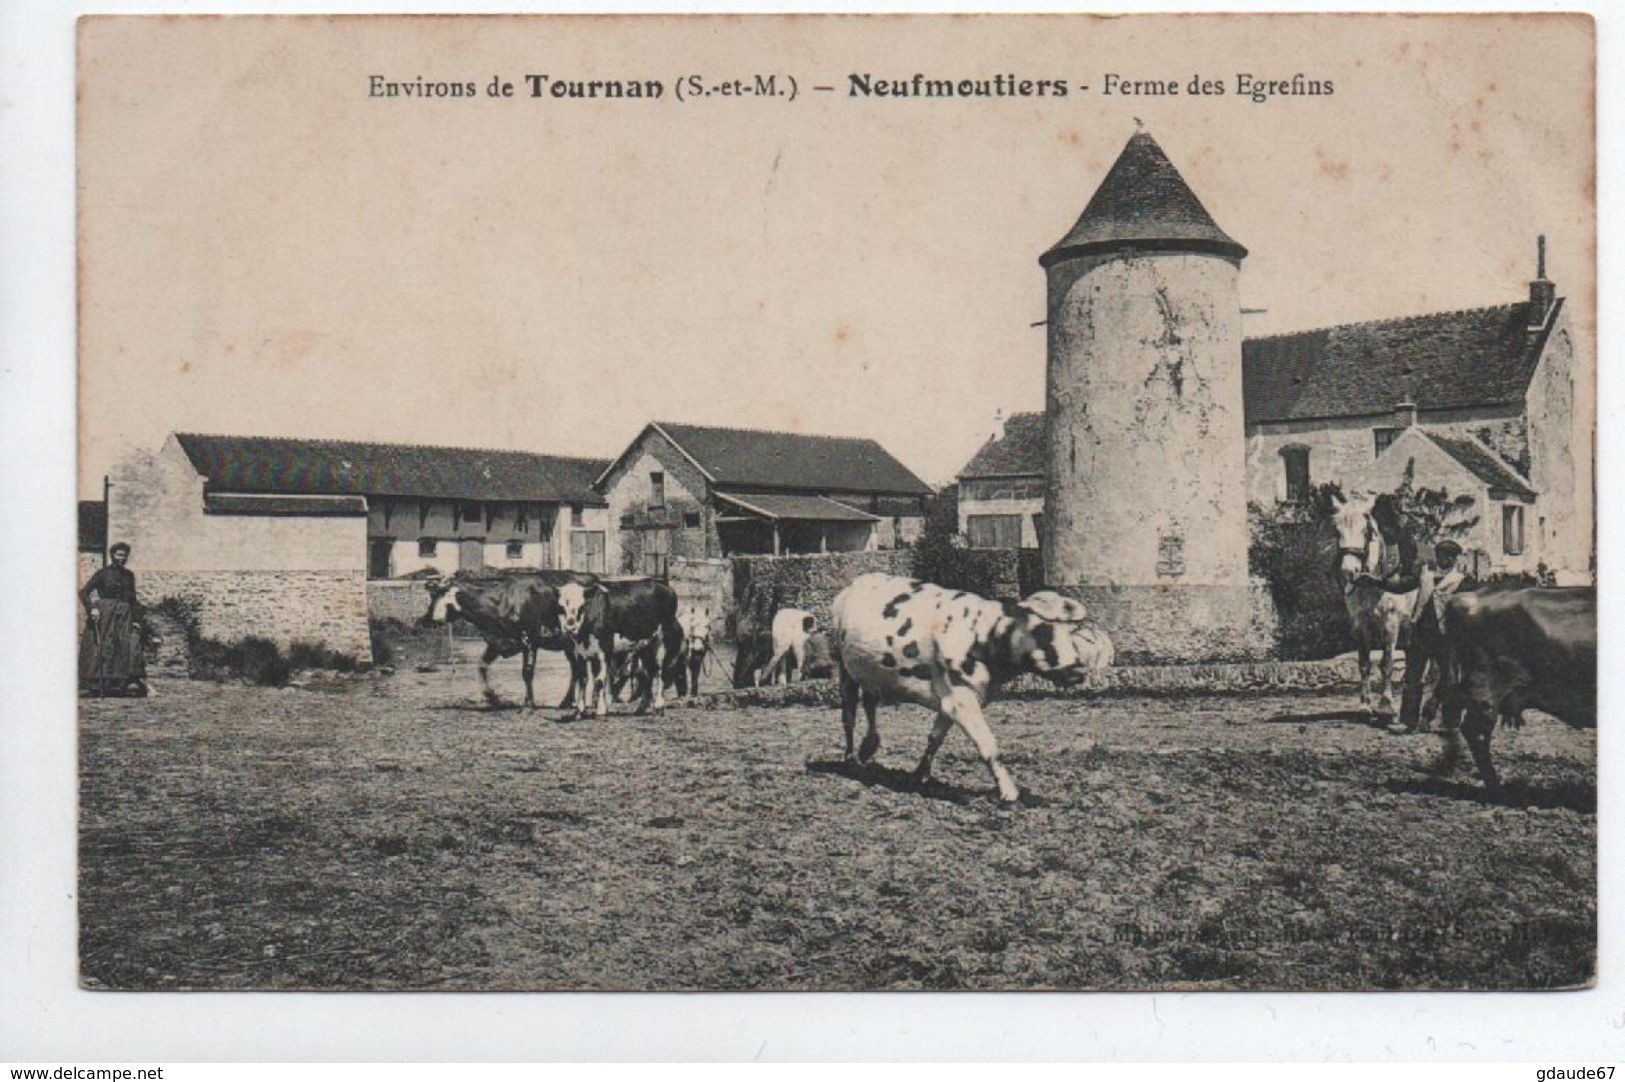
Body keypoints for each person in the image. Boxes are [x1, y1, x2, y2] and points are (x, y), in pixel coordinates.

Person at [1360, 538, 1472, 731]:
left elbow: (1471, 608)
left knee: (1450, 679)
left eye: (1445, 557)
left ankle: (1450, 722)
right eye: (1438, 556)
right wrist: (1377, 581)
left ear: (1454, 559)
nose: (1440, 560)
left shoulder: (1462, 580)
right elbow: (1402, 585)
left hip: (1448, 636)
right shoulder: (1425, 574)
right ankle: (1407, 721)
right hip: (1422, 632)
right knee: (1412, 677)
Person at [79, 541, 149, 697]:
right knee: (105, 645)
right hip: (105, 614)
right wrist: (92, 609)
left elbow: (133, 599)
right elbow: (83, 592)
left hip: (124, 614)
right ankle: (98, 683)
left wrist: (137, 619)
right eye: (118, 555)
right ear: (112, 555)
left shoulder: (129, 575)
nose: (121, 558)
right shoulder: (103, 573)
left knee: (125, 645)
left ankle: (120, 683)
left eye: (124, 556)